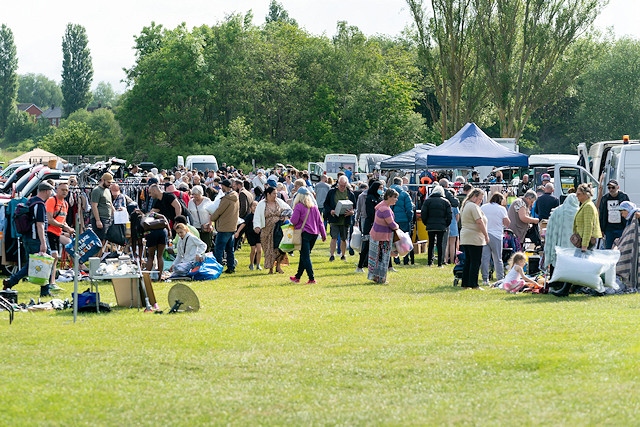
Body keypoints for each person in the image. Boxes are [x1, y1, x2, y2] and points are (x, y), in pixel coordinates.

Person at [3, 182, 54, 297]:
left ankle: (11, 282)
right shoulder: (39, 205)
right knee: (47, 261)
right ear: (46, 191)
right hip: (36, 238)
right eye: (51, 191)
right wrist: (43, 243)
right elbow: (40, 225)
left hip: (27, 237)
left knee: (32, 264)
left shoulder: (30, 201)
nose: (51, 193)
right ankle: (45, 291)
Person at [551, 184, 602, 297]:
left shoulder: (588, 206)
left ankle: (567, 289)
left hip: (586, 241)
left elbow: (589, 226)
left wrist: (584, 245)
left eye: (579, 194)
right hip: (586, 241)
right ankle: (570, 289)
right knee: (582, 266)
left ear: (585, 194)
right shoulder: (586, 205)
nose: (577, 196)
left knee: (578, 266)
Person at [289, 187, 326, 284]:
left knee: (305, 257)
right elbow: (320, 222)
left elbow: (293, 221)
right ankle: (297, 276)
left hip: (304, 233)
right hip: (314, 234)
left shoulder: (299, 206)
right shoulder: (314, 207)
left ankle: (311, 278)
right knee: (304, 255)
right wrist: (323, 234)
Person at [253, 186, 291, 274]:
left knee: (279, 248)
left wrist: (285, 216)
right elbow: (257, 216)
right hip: (266, 229)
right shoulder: (261, 204)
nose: (275, 195)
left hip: (278, 229)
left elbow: (289, 209)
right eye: (274, 193)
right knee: (268, 249)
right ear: (268, 194)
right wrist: (257, 226)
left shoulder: (279, 202)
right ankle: (270, 268)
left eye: (276, 193)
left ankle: (278, 266)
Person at [46, 182, 74, 292]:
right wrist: (63, 227)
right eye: (62, 189)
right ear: (57, 190)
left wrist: (68, 229)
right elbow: (49, 219)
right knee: (54, 256)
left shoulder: (65, 204)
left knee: (55, 257)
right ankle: (51, 281)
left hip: (57, 233)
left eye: (66, 190)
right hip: (49, 232)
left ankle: (52, 281)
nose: (64, 192)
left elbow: (63, 221)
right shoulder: (52, 201)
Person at [368, 188, 400, 284]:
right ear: (389, 197)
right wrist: (398, 226)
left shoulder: (381, 206)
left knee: (375, 258)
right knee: (383, 259)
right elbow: (391, 224)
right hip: (382, 237)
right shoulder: (385, 209)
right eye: (395, 197)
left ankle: (375, 277)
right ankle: (381, 279)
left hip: (376, 235)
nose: (396, 199)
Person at [459, 188, 489, 289]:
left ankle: (465, 283)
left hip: (466, 236)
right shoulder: (473, 206)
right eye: (480, 199)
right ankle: (473, 283)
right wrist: (486, 235)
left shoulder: (466, 205)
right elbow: (479, 221)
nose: (480, 201)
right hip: (474, 237)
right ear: (474, 197)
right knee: (475, 261)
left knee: (469, 260)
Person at [208, 179, 239, 273]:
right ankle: (231, 267)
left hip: (224, 227)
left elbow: (219, 211)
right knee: (230, 249)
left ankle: (217, 268)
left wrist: (211, 217)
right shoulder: (235, 196)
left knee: (219, 249)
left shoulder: (226, 199)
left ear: (225, 186)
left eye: (222, 186)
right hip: (232, 226)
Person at [324, 175, 356, 262]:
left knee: (344, 238)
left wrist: (351, 212)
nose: (342, 187)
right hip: (334, 218)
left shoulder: (350, 193)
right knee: (333, 237)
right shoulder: (332, 192)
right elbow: (326, 204)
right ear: (338, 183)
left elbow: (354, 207)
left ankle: (343, 255)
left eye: (344, 185)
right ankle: (332, 255)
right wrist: (331, 211)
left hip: (345, 219)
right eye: (341, 185)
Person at [481, 192, 510, 285]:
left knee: (485, 258)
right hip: (496, 235)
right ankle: (500, 278)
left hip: (485, 234)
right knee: (497, 258)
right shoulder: (501, 209)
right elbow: (507, 222)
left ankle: (485, 279)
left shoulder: (483, 207)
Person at [421, 185, 452, 268]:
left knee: (431, 244)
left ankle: (429, 262)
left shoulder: (427, 201)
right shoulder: (446, 202)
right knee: (440, 244)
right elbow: (449, 215)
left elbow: (423, 214)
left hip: (430, 225)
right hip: (441, 226)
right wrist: (446, 224)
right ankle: (439, 263)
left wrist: (426, 223)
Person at [357, 181, 384, 273]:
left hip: (379, 224)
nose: (381, 190)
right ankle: (360, 266)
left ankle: (387, 266)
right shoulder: (369, 198)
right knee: (367, 245)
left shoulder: (379, 198)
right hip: (371, 224)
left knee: (382, 246)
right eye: (380, 188)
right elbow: (370, 213)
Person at [599, 179, 630, 249]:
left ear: (618, 187)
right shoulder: (605, 198)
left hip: (621, 227)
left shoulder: (623, 196)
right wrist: (601, 229)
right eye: (609, 188)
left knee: (622, 247)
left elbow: (628, 211)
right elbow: (602, 214)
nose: (611, 189)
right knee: (609, 248)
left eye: (613, 187)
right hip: (609, 229)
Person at [390, 177, 415, 265]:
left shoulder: (388, 194)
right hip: (404, 220)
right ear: (401, 184)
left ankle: (396, 259)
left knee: (394, 240)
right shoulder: (404, 194)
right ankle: (405, 258)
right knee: (405, 240)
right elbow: (409, 209)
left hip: (392, 220)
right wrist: (409, 219)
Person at [143, 211, 171, 277]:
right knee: (160, 256)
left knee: (150, 257)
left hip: (151, 233)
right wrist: (169, 230)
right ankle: (160, 276)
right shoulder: (153, 214)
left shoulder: (145, 216)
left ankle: (146, 277)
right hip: (162, 232)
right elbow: (163, 217)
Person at [236, 201, 262, 270]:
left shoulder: (260, 216)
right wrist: (238, 232)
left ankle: (258, 264)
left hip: (259, 234)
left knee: (259, 250)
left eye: (256, 206)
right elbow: (243, 224)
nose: (255, 207)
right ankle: (251, 264)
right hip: (251, 234)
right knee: (253, 250)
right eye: (253, 206)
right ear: (250, 208)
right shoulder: (249, 216)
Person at [90, 172, 115, 244]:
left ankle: (101, 255)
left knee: (104, 240)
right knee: (99, 240)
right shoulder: (96, 190)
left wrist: (115, 213)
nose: (110, 184)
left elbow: (110, 203)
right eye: (108, 182)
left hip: (107, 218)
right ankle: (97, 255)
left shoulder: (107, 190)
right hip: (100, 218)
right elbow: (94, 206)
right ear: (103, 180)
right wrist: (98, 220)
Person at [187, 185, 213, 251]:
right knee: (195, 247)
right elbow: (189, 214)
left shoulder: (207, 201)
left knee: (206, 245)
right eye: (193, 194)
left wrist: (210, 224)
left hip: (205, 227)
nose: (195, 196)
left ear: (201, 193)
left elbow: (211, 214)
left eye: (196, 194)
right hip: (195, 227)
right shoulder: (190, 202)